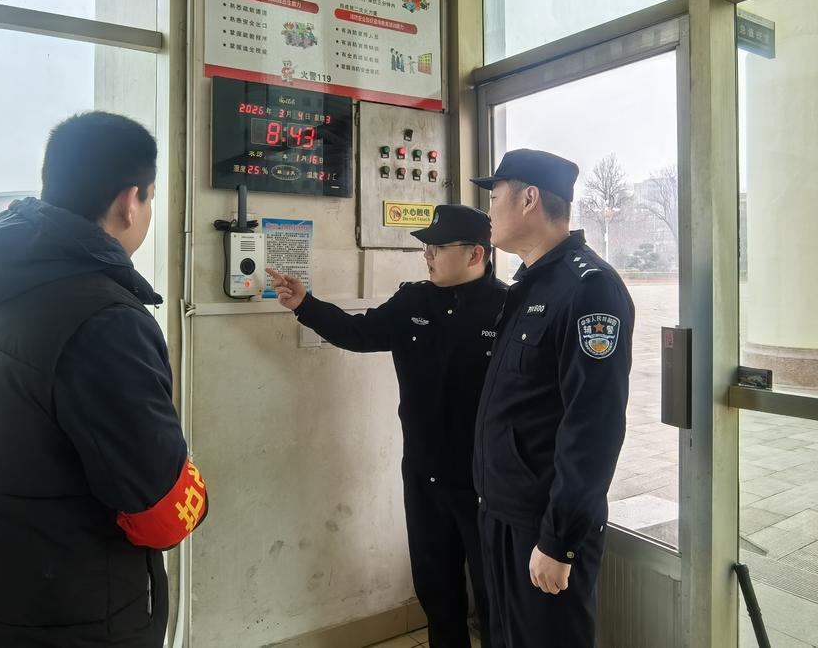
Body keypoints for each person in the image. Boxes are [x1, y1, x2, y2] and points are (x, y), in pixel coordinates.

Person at [0, 112, 207, 648]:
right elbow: (162, 515)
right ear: (130, 202)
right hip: (57, 617)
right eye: (150, 199)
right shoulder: (106, 320)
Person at [268, 205, 506, 648]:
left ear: (476, 254)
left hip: (487, 485)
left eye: (437, 248)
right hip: (424, 476)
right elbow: (359, 333)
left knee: (497, 600)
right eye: (426, 248)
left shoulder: (507, 309)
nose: (427, 256)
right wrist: (305, 305)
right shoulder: (413, 302)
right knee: (437, 593)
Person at [470, 149, 633, 648]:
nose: (487, 210)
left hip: (541, 526)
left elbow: (594, 428)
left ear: (529, 199)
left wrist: (559, 540)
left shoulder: (590, 290)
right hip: (501, 511)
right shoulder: (529, 285)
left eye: (494, 196)